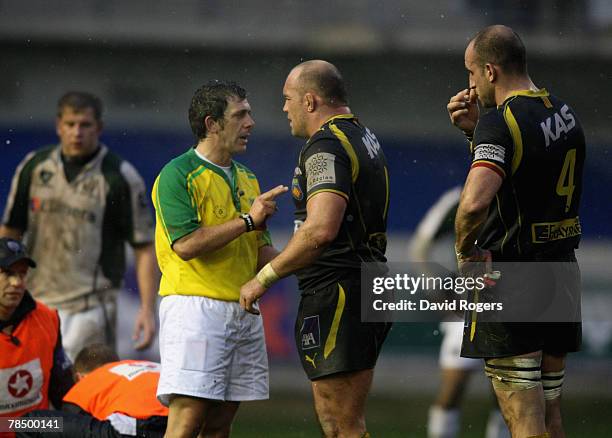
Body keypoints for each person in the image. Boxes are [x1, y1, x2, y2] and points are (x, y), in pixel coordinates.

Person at [240, 60, 392, 437]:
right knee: (342, 420)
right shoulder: (363, 137)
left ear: (310, 101)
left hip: (339, 291)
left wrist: (264, 278)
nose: (283, 108)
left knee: (340, 423)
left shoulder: (325, 145)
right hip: (363, 283)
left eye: (287, 99)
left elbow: (321, 229)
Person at [448, 25, 585, 437]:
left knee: (523, 421)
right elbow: (529, 179)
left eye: (471, 74)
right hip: (561, 272)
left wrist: (465, 253)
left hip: (516, 279)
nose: (469, 85)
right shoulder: (562, 111)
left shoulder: (502, 122)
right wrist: (475, 134)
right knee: (550, 418)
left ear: (490, 71)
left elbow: (474, 202)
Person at [152, 80, 286, 438]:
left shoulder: (248, 178)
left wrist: (307, 252)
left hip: (241, 310)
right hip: (195, 310)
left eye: (249, 113)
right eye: (241, 114)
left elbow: (259, 252)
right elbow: (185, 244)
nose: (251, 123)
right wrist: (247, 221)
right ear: (212, 124)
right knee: (186, 421)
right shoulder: (176, 175)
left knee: (220, 425)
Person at [1, 91, 158, 361]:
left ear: (99, 127)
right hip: (35, 299)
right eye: (71, 124)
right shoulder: (34, 167)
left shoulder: (119, 176)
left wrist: (147, 308)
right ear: (58, 126)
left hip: (90, 305)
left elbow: (144, 247)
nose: (77, 132)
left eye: (85, 125)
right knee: (36, 382)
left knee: (82, 388)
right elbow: (10, 232)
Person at [409, 187, 509, 438]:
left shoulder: (521, 198)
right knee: (453, 387)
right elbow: (421, 246)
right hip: (468, 306)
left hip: (510, 306)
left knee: (508, 393)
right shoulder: (458, 199)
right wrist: (438, 294)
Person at [18, 344, 168, 438]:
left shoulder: (86, 386)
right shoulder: (142, 365)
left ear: (79, 377)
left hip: (139, 428)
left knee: (26, 423)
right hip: (181, 422)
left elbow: (71, 426)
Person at [0, 237, 74, 419]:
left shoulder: (47, 318)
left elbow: (63, 390)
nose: (17, 283)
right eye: (8, 273)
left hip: (39, 430)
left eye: (22, 274)